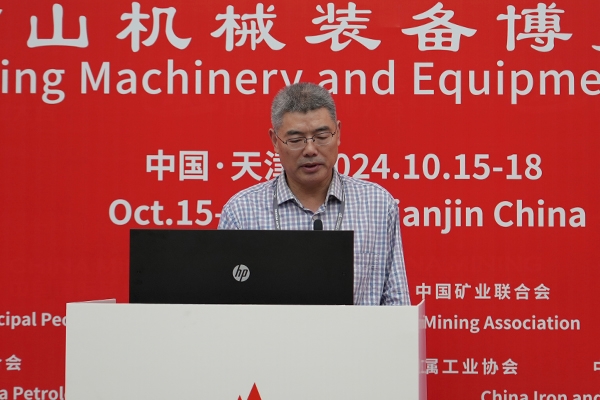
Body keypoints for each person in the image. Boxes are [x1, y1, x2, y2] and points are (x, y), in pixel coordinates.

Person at [218, 82, 410, 305]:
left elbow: (397, 304)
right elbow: (224, 308)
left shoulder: (377, 205)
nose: (310, 149)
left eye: (322, 136)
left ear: (338, 133)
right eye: (296, 140)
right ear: (275, 141)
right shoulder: (241, 212)